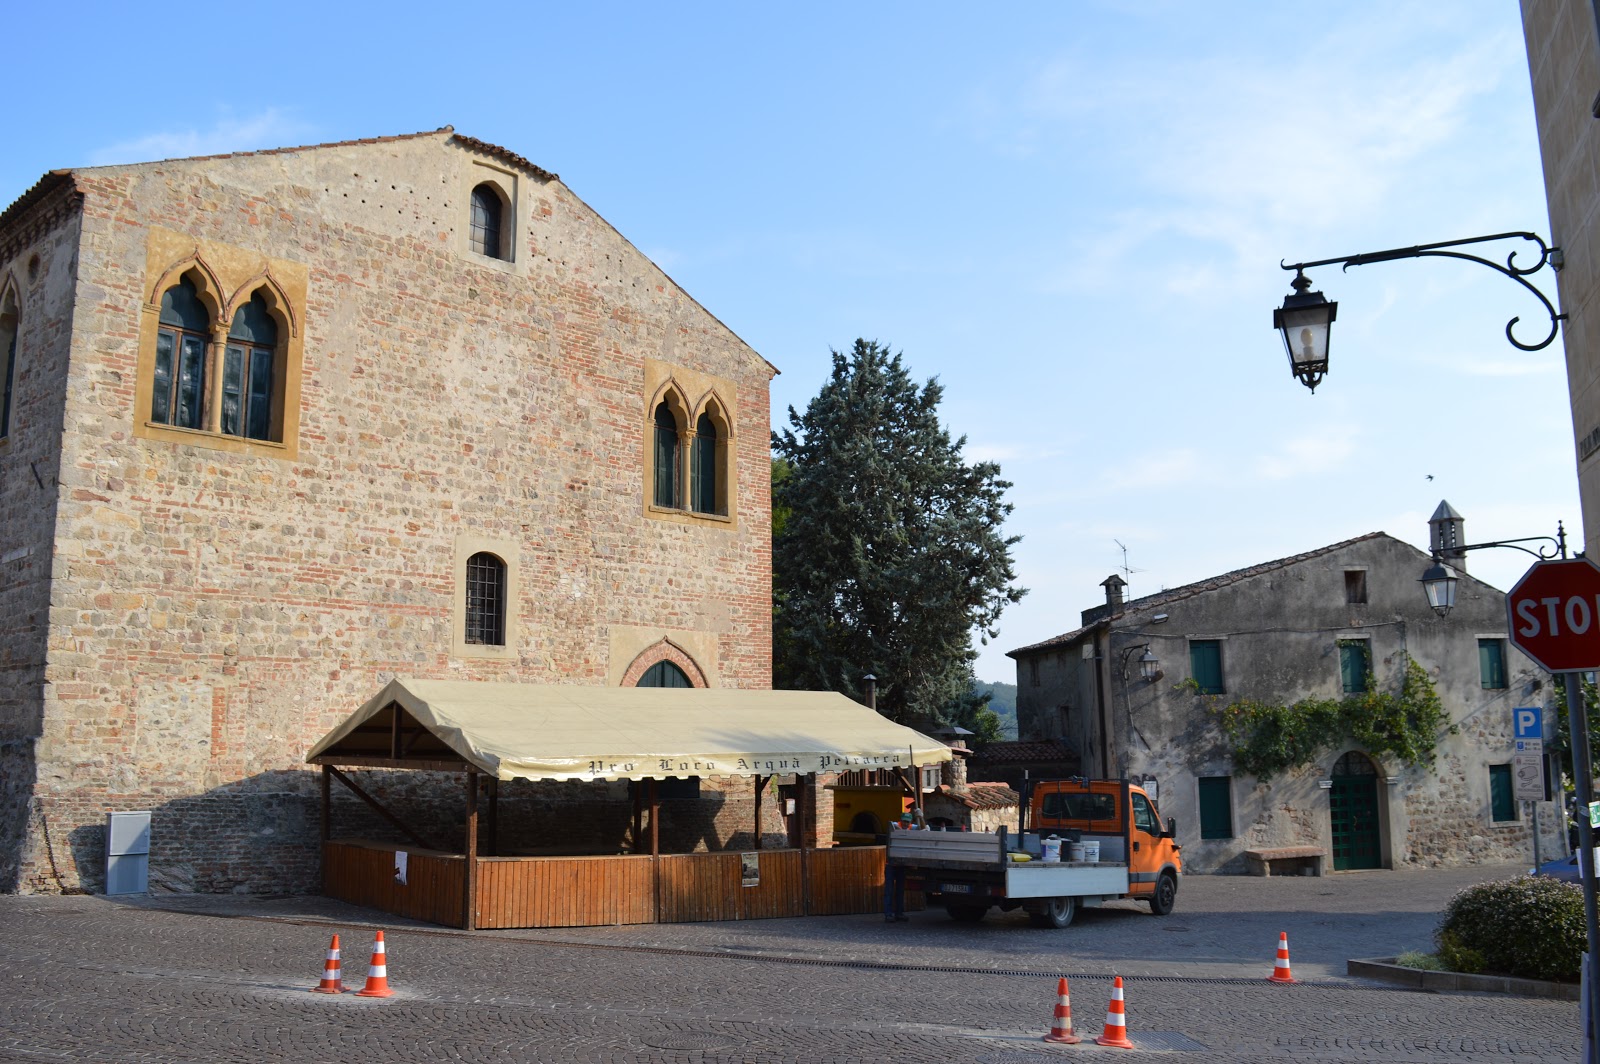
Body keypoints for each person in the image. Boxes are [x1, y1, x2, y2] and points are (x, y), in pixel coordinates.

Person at [883, 813, 913, 922]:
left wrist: (921, 819)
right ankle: (888, 914)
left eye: (907, 822)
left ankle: (899, 913)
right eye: (904, 821)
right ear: (901, 820)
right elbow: (893, 825)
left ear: (910, 822)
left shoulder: (911, 827)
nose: (905, 824)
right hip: (891, 865)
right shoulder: (895, 825)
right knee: (889, 890)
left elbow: (921, 828)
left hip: (901, 865)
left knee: (900, 890)